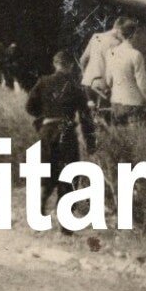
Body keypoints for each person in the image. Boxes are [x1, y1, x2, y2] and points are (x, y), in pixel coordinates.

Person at [25, 51, 95, 227]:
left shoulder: (43, 82)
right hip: (67, 131)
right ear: (71, 66)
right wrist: (90, 142)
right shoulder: (76, 86)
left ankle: (41, 204)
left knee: (47, 169)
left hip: (47, 131)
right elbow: (86, 117)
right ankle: (65, 222)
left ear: (55, 63)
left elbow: (29, 107)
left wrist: (44, 114)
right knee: (69, 172)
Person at [101, 24, 146, 125]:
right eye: (138, 34)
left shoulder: (110, 53)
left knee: (121, 140)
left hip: (116, 104)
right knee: (138, 139)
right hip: (134, 105)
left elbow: (109, 80)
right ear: (133, 35)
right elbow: (142, 83)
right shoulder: (135, 54)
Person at [81, 17, 131, 96]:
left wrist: (85, 75)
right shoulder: (118, 44)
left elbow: (83, 60)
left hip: (88, 84)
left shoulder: (96, 36)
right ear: (122, 32)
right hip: (103, 88)